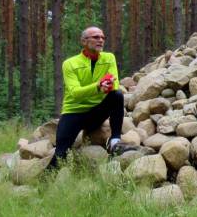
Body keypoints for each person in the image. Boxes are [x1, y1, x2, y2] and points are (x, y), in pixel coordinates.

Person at [49, 26, 135, 169]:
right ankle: (42, 186)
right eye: (96, 37)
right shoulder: (70, 63)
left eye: (102, 37)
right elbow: (75, 92)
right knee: (61, 153)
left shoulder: (109, 58)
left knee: (117, 95)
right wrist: (98, 87)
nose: (100, 40)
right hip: (73, 113)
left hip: (96, 112)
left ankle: (114, 141)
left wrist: (105, 86)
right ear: (84, 41)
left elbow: (113, 85)